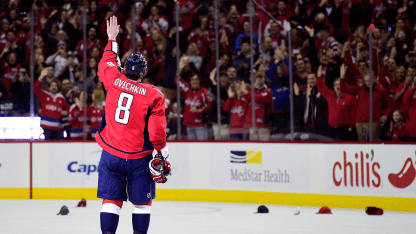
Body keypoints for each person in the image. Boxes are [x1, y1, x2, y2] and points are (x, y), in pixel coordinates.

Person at [96, 16, 171, 234]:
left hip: (111, 153)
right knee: (141, 205)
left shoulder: (112, 78)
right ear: (144, 73)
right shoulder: (153, 95)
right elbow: (157, 133)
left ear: (124, 68)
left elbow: (107, 62)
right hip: (139, 157)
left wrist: (112, 40)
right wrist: (163, 154)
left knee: (110, 202)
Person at [34, 68, 69, 140]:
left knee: (59, 148)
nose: (54, 87)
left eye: (55, 86)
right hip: (46, 127)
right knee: (47, 148)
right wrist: (41, 76)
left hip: (59, 127)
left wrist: (66, 112)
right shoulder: (44, 95)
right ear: (49, 87)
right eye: (52, 85)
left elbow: (67, 108)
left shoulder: (61, 98)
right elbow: (36, 88)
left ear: (58, 88)